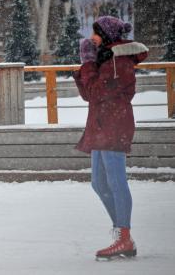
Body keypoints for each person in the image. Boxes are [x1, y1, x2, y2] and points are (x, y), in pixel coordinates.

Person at [73, 16, 148, 260]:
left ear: (106, 35)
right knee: (99, 184)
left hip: (114, 124)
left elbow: (100, 91)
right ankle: (123, 236)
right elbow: (89, 95)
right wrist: (89, 65)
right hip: (100, 124)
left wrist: (88, 64)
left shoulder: (119, 60)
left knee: (116, 182)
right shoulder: (106, 57)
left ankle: (123, 236)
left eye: (96, 33)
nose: (92, 37)